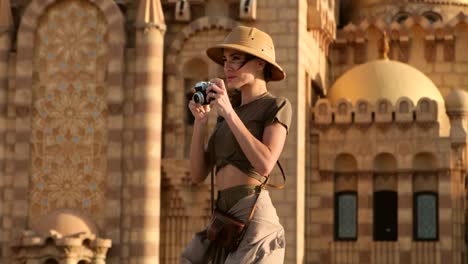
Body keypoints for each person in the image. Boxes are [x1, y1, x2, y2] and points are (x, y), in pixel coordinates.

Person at [181, 25, 292, 264]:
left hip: (252, 215)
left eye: (236, 59)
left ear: (260, 63)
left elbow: (265, 164)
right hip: (223, 219)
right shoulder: (224, 115)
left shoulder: (276, 106)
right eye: (225, 60)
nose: (227, 66)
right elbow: (198, 174)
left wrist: (230, 113)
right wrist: (200, 122)